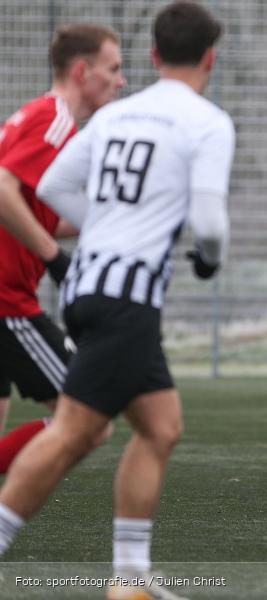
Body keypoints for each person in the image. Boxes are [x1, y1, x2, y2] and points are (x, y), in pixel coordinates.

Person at [0, 3, 235, 599]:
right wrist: (208, 256)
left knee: (160, 426)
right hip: (125, 298)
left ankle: (130, 579)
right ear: (210, 57)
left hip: (86, 287)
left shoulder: (115, 116)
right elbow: (208, 221)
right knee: (73, 431)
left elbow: (53, 186)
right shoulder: (207, 122)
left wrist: (102, 228)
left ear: (154, 56)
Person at [0, 23, 125, 474]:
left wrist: (119, 215)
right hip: (6, 301)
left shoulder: (48, 121)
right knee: (91, 416)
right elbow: (2, 190)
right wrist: (53, 258)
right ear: (81, 71)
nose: (120, 79)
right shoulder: (53, 120)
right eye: (113, 68)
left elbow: (41, 210)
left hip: (9, 296)